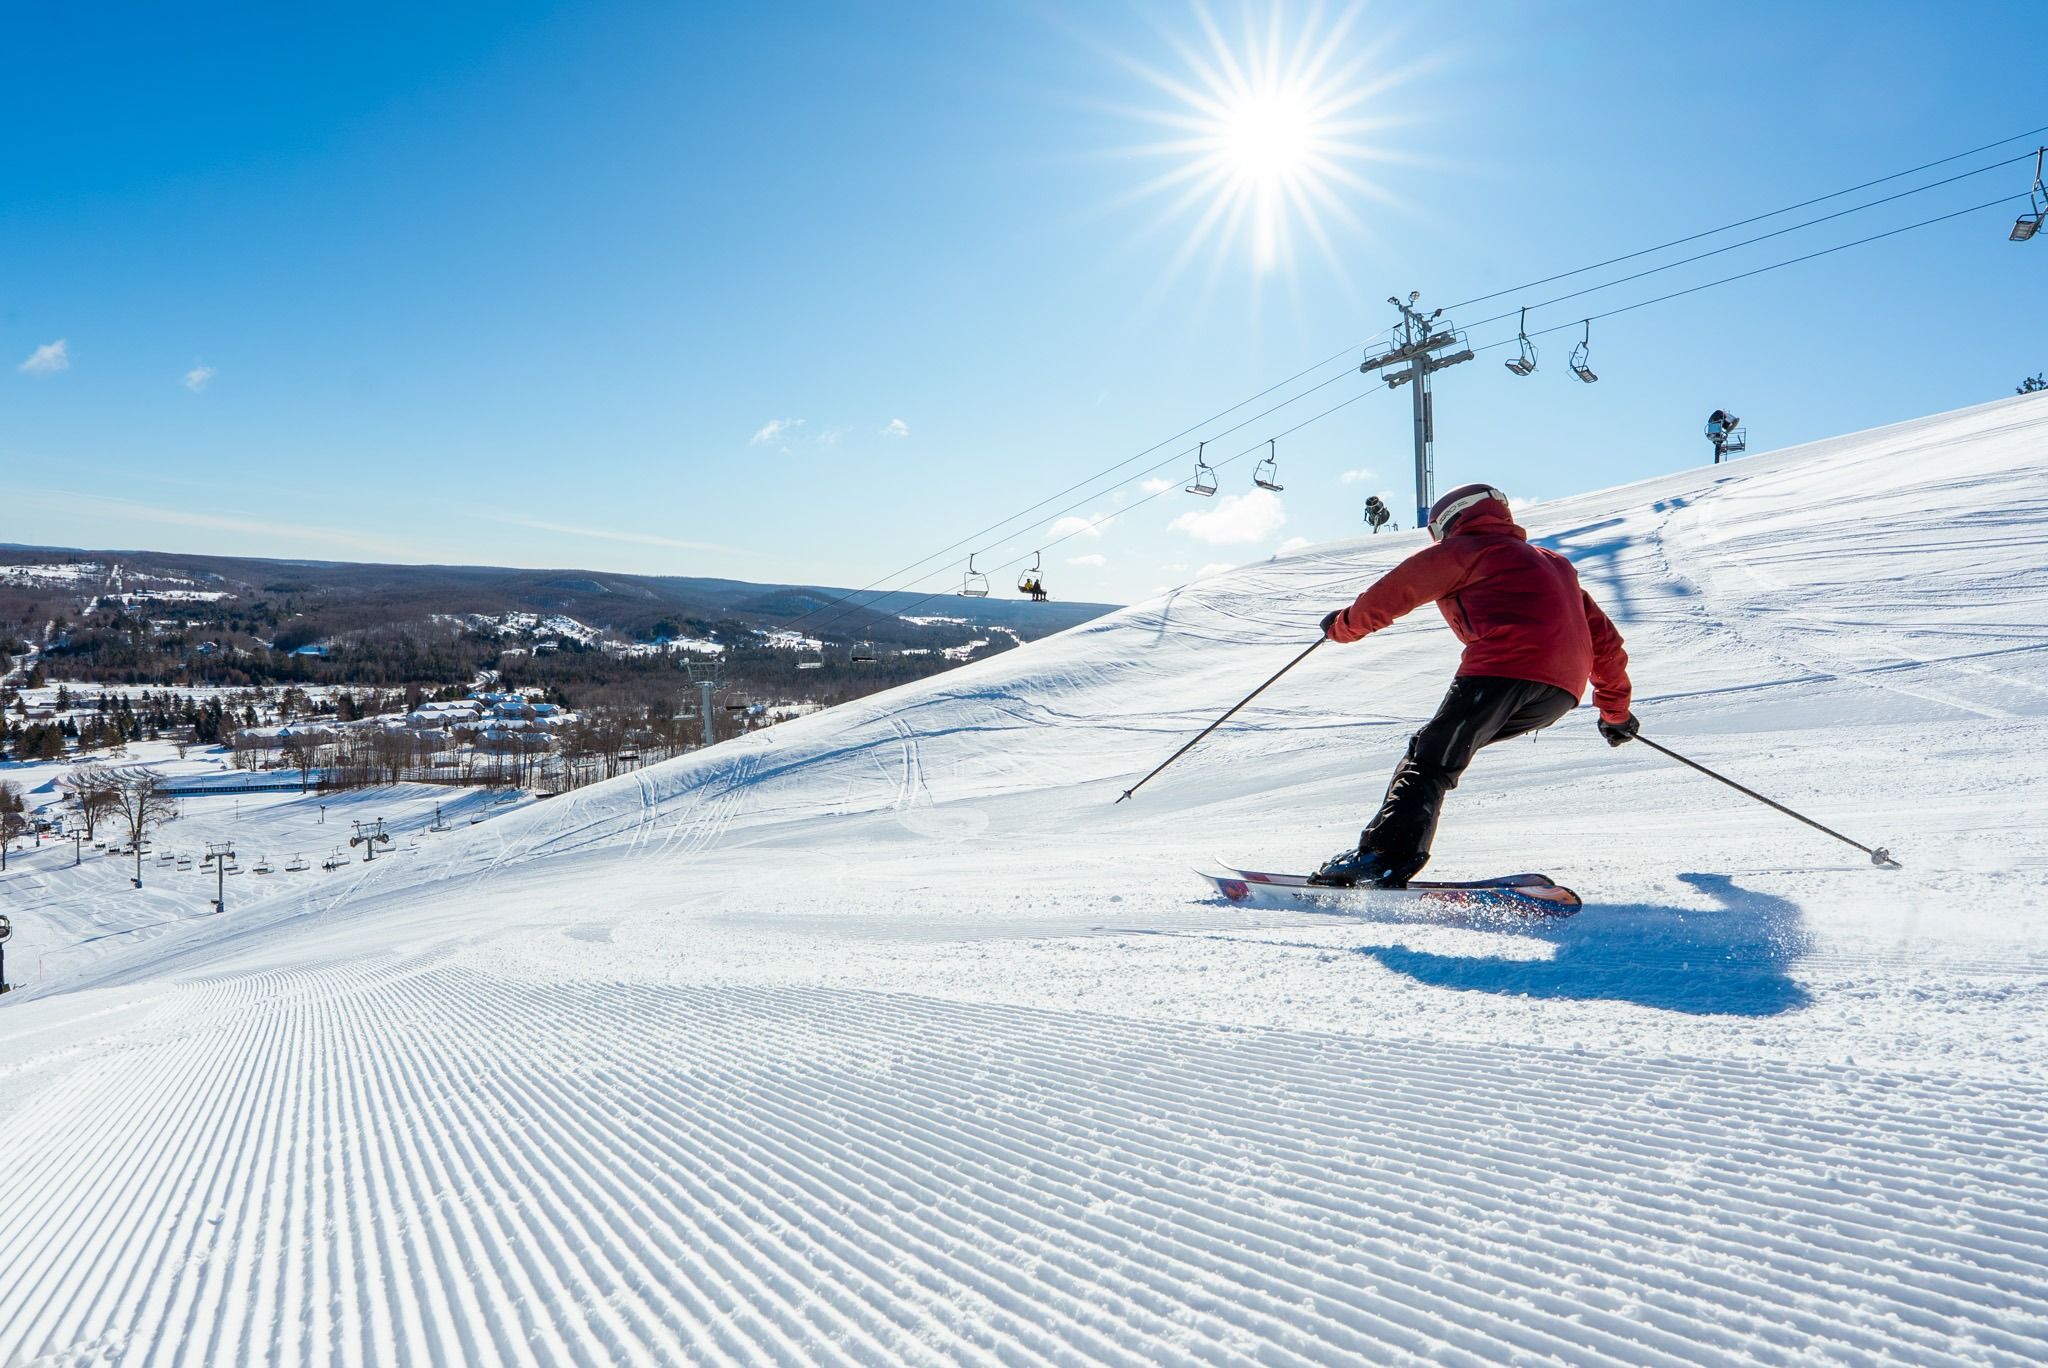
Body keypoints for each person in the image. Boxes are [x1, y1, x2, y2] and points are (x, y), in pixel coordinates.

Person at [1308, 483, 1637, 888]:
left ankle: (1384, 857)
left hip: (1502, 671)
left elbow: (1398, 589)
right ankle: (1385, 853)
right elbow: (1605, 641)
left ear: (1449, 522)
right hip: (1558, 695)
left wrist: (1343, 626)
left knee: (1430, 760)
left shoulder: (1467, 549)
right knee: (1439, 750)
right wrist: (1615, 712)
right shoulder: (1554, 565)